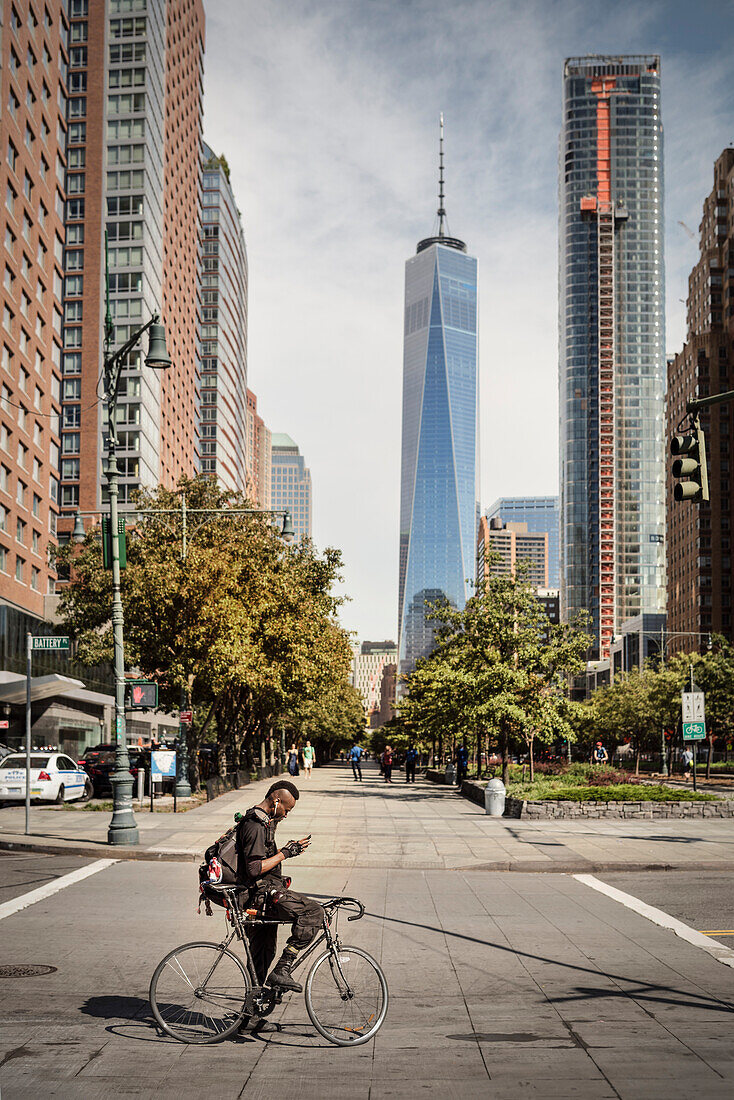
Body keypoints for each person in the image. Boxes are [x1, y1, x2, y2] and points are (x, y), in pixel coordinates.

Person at [236, 780, 322, 1008]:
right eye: (287, 808)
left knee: (262, 954)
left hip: (261, 894)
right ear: (276, 800)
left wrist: (286, 844)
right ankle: (284, 967)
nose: (287, 814)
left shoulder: (263, 821)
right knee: (313, 911)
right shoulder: (255, 825)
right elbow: (254, 868)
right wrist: (286, 853)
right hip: (259, 894)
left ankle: (250, 1013)